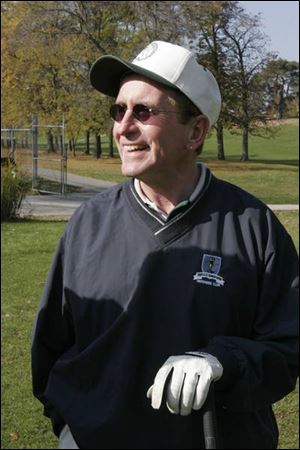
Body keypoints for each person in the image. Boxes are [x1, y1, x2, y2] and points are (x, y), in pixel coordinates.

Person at [31, 41, 299, 449]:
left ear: (195, 131)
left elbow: (288, 349)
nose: (123, 127)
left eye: (143, 111)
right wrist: (68, 426)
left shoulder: (253, 226)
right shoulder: (88, 222)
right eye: (118, 110)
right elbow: (51, 345)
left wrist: (222, 361)